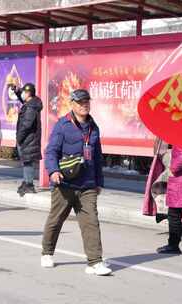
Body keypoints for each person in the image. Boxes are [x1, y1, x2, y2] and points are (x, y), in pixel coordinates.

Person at [42, 89, 111, 276]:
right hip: (65, 183)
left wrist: (99, 181)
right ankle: (47, 252)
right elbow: (51, 152)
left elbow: (97, 156)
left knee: (91, 222)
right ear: (72, 104)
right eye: (80, 102)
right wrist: (54, 171)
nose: (84, 105)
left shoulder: (93, 127)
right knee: (56, 220)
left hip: (87, 183)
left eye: (87, 102)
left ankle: (95, 262)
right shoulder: (62, 125)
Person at [14, 83, 43, 196]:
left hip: (28, 138)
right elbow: (23, 101)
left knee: (28, 161)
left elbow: (27, 125)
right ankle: (26, 182)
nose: (22, 94)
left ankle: (29, 184)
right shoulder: (31, 103)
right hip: (28, 137)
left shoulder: (31, 107)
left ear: (28, 93)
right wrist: (17, 92)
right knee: (26, 161)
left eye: (24, 92)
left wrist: (19, 137)